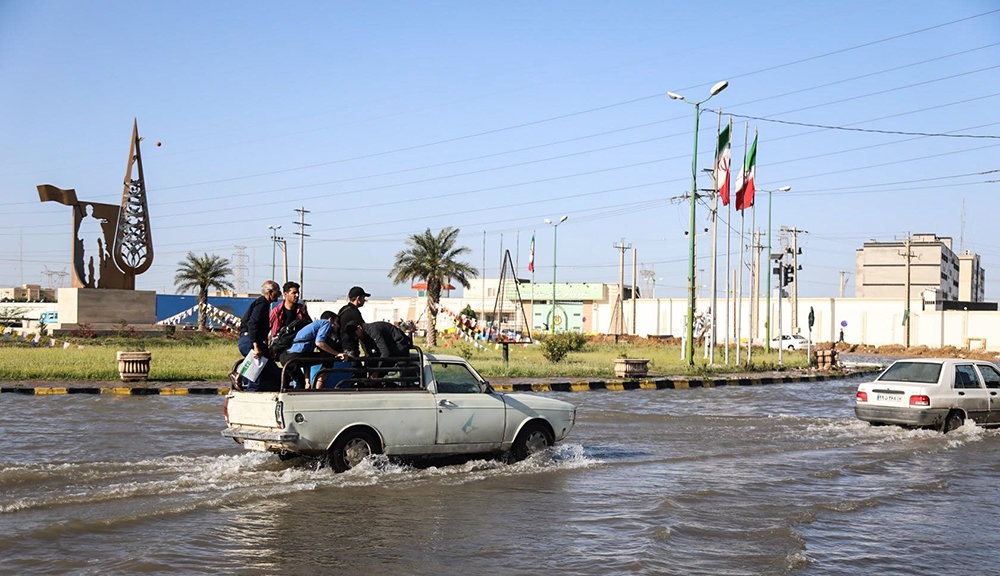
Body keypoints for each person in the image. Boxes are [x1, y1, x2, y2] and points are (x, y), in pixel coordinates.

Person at [280, 311, 347, 389]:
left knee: (300, 383)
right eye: (337, 322)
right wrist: (337, 353)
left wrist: (307, 381)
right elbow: (319, 343)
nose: (338, 326)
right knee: (330, 357)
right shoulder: (325, 323)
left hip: (286, 357)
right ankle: (319, 383)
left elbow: (307, 361)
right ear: (331, 319)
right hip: (294, 357)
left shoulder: (312, 331)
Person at [237, 280, 282, 391]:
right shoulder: (262, 303)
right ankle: (251, 394)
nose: (279, 294)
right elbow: (252, 323)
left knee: (271, 370)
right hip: (251, 341)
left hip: (248, 340)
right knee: (258, 374)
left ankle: (239, 375)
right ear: (270, 292)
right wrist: (256, 346)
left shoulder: (262, 304)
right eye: (278, 291)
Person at [338, 286, 370, 357]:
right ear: (358, 298)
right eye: (363, 298)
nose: (364, 300)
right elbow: (363, 329)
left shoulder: (343, 309)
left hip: (342, 346)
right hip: (350, 348)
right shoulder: (354, 312)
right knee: (355, 367)